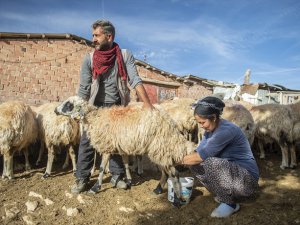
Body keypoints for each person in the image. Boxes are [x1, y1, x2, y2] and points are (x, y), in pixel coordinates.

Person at [71, 19, 153, 193]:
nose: (93, 39)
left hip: (116, 106)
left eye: (97, 35)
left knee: (116, 142)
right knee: (87, 142)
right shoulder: (89, 59)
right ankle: (82, 178)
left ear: (109, 36)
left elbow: (135, 79)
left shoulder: (123, 55)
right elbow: (84, 89)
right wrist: (80, 111)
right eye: (92, 35)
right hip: (94, 107)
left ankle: (117, 176)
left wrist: (147, 105)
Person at [180, 96, 259, 217]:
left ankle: (231, 204)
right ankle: (225, 196)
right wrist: (184, 159)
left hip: (247, 181)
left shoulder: (226, 131)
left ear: (214, 117)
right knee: (194, 165)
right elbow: (198, 151)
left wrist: (175, 159)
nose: (201, 126)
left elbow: (202, 156)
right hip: (233, 176)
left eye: (202, 122)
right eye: (199, 123)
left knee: (210, 162)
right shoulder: (209, 131)